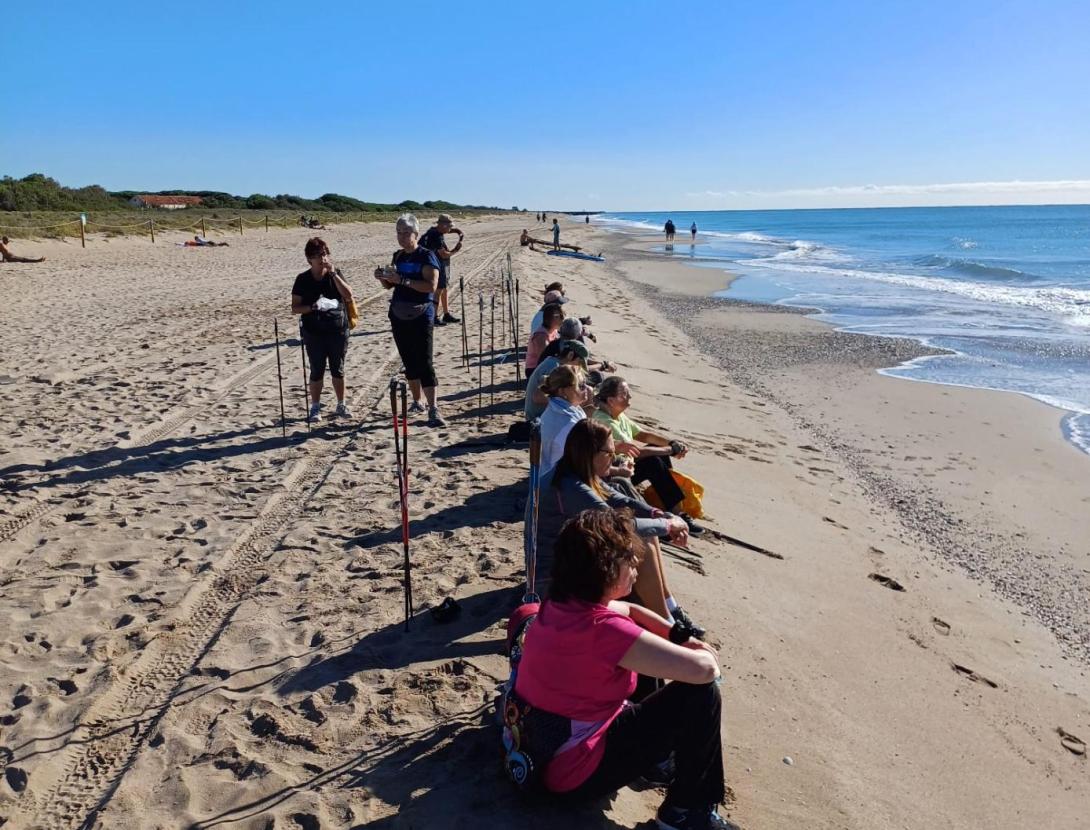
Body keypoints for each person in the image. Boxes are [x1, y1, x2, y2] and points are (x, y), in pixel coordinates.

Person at [514, 508, 727, 829]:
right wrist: (701, 650)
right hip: (573, 775)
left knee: (648, 652)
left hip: (539, 755)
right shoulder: (606, 631)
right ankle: (686, 812)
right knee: (702, 694)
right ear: (607, 569)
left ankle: (656, 766)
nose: (636, 564)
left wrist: (675, 635)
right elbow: (705, 671)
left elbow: (629, 609)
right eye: (629, 559)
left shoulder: (560, 604)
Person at [532, 420, 699, 629]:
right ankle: (668, 626)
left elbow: (620, 499)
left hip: (571, 556)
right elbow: (616, 523)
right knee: (637, 540)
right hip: (552, 580)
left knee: (647, 530)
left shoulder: (577, 470)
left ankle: (670, 608)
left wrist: (659, 514)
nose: (613, 460)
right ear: (591, 453)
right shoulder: (570, 487)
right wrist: (667, 526)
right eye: (609, 453)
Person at [593, 376, 704, 534]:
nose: (629, 397)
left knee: (657, 451)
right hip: (613, 473)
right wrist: (668, 450)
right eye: (625, 394)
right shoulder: (604, 422)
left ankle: (665, 500)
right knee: (653, 461)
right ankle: (677, 514)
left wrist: (671, 443)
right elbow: (633, 452)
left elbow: (643, 435)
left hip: (627, 466)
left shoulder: (618, 416)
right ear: (611, 400)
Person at [374, 214, 446, 427]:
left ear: (416, 234)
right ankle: (417, 401)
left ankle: (433, 407)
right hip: (399, 313)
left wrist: (402, 280)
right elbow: (392, 286)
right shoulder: (398, 257)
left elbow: (431, 287)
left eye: (406, 233)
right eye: (399, 232)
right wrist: (384, 278)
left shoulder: (427, 256)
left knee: (424, 361)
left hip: (421, 313)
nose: (402, 237)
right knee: (408, 361)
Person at [291, 237, 355, 421]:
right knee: (317, 369)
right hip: (314, 331)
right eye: (319, 255)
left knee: (338, 368)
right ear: (309, 258)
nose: (323, 258)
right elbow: (295, 308)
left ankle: (341, 404)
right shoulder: (303, 279)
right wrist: (312, 307)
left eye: (325, 254)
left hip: (337, 329)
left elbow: (349, 295)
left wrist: (334, 274)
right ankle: (315, 407)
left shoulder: (334, 274)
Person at [538, 365, 591, 474]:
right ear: (563, 392)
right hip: (559, 481)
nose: (587, 388)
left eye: (585, 383)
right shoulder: (569, 423)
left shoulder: (557, 408)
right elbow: (583, 460)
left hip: (549, 474)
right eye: (580, 385)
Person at [525, 339, 589, 421]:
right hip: (537, 418)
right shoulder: (553, 367)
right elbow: (538, 397)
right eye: (579, 362)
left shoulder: (553, 361)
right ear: (570, 355)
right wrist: (569, 402)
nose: (578, 367)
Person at [418, 213, 463, 326]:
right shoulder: (436, 236)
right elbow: (444, 255)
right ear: (442, 225)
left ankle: (446, 314)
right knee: (438, 291)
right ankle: (434, 317)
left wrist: (455, 231)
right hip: (436, 265)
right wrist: (456, 250)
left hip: (431, 264)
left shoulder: (433, 231)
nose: (450, 228)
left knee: (444, 289)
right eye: (449, 226)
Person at [525, 302, 564, 374]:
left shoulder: (554, 330)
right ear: (548, 318)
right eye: (557, 316)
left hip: (548, 364)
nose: (562, 319)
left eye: (562, 315)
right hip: (534, 369)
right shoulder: (541, 336)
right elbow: (545, 359)